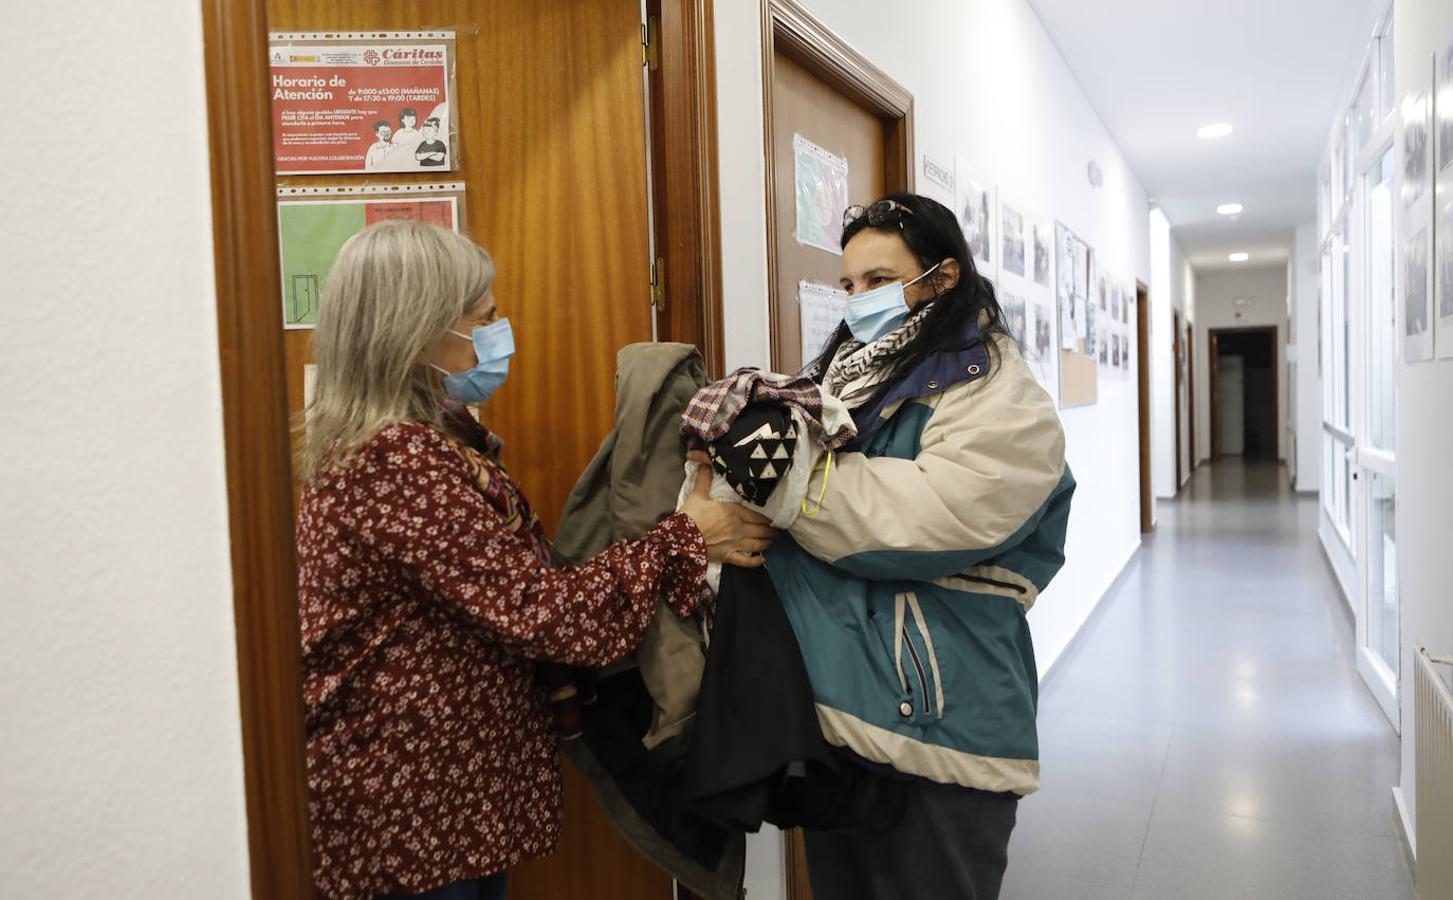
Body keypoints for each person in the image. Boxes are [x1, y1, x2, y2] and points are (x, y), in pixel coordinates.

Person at [294, 220, 774, 900]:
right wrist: (685, 536)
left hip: (448, 798)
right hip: (409, 811)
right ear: (417, 328)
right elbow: (542, 615)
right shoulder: (392, 460)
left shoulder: (432, 441)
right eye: (483, 318)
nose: (500, 333)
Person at [767, 193, 1074, 899]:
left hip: (938, 715)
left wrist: (786, 486)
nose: (857, 301)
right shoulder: (851, 377)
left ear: (940, 279)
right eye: (848, 285)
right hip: (842, 708)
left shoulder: (997, 392)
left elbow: (926, 520)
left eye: (878, 281)